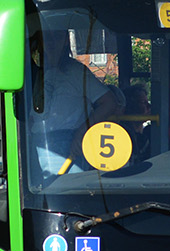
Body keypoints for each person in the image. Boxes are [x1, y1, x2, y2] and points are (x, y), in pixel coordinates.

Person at [33, 26, 124, 176]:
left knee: (63, 192)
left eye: (57, 36)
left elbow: (109, 102)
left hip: (66, 145)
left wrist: (82, 133)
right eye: (47, 37)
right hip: (37, 141)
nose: (51, 42)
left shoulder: (75, 71)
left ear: (65, 41)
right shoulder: (38, 73)